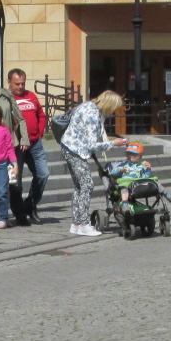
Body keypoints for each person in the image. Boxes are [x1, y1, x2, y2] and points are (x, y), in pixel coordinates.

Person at [60, 90, 123, 237]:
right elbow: (91, 144)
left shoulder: (91, 106)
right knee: (87, 185)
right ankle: (83, 224)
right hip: (75, 150)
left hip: (69, 146)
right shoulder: (92, 114)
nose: (114, 112)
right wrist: (114, 143)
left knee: (79, 186)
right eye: (114, 108)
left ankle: (76, 224)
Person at [7, 68, 50, 224]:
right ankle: (19, 214)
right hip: (15, 146)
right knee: (15, 181)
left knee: (43, 174)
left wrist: (39, 131)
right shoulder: (5, 98)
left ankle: (30, 205)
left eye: (23, 83)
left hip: (34, 144)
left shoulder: (31, 96)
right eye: (17, 83)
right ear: (9, 82)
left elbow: (41, 114)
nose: (20, 86)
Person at [108, 142, 171, 214]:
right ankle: (125, 203)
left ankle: (166, 194)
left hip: (139, 184)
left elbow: (145, 177)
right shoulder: (123, 165)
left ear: (140, 156)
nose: (132, 156)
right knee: (123, 187)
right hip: (128, 183)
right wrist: (121, 170)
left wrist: (148, 170)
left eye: (135, 155)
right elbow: (113, 173)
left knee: (155, 181)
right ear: (127, 155)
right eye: (130, 154)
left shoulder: (141, 166)